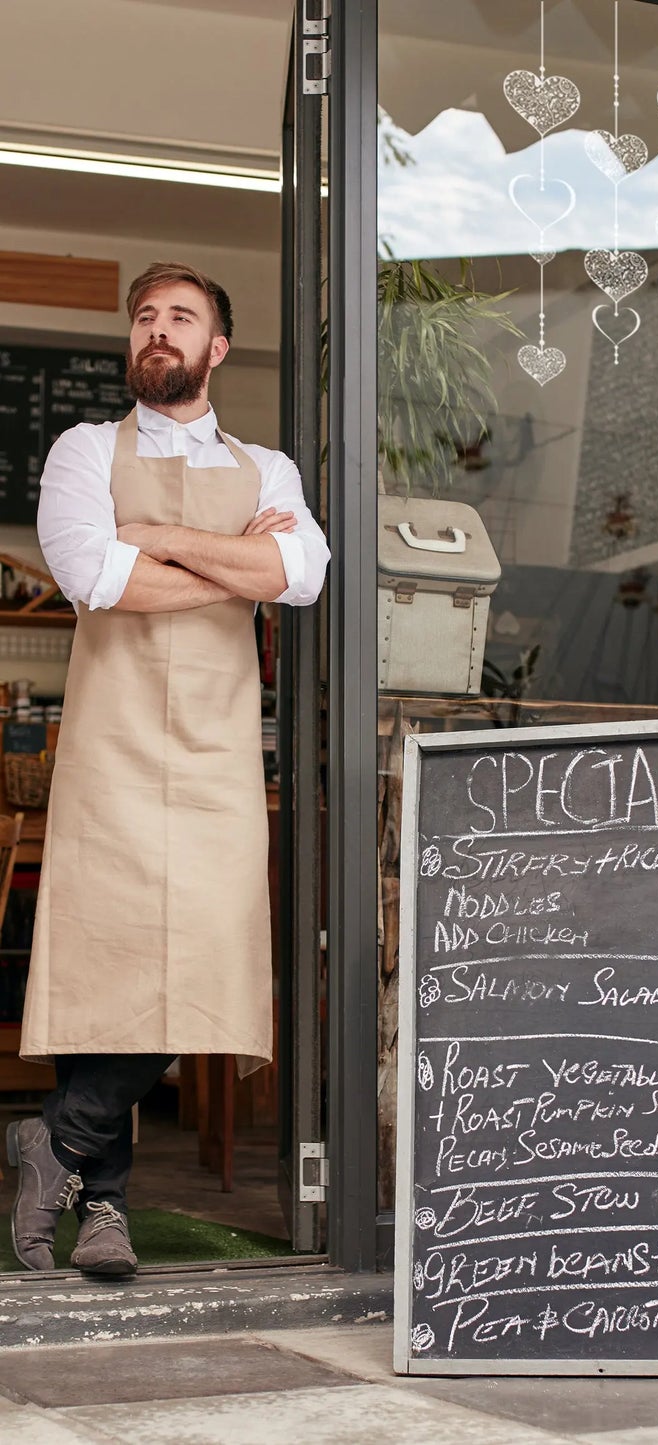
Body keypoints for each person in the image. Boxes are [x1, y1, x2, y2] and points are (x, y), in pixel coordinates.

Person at [6, 261, 329, 1277]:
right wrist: (232, 570)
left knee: (195, 963)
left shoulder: (267, 466)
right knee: (109, 965)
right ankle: (105, 1208)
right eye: (144, 316)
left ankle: (51, 1138)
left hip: (218, 756)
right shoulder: (82, 447)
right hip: (112, 749)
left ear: (215, 347)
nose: (157, 330)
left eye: (180, 318)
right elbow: (96, 574)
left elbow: (304, 575)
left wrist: (161, 541)